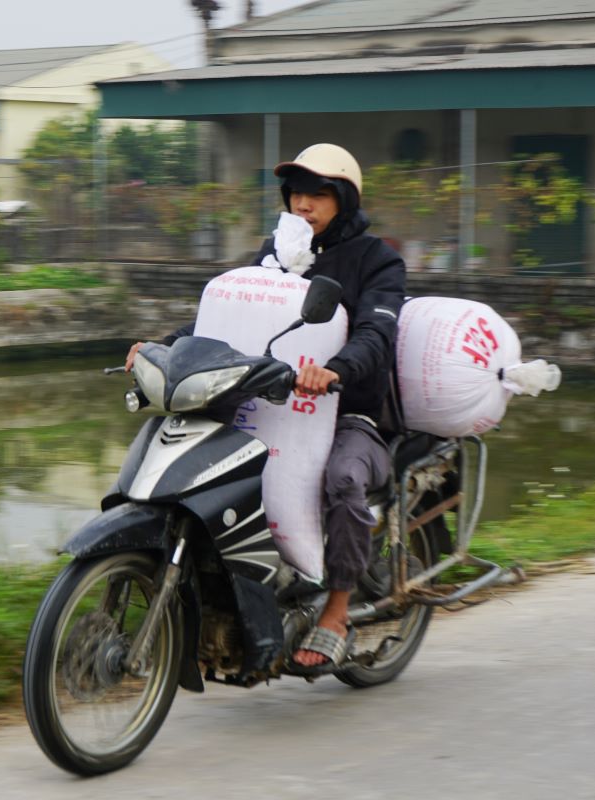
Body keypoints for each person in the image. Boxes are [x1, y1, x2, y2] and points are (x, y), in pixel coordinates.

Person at [125, 143, 406, 674]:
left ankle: (337, 613)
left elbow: (377, 332)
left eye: (319, 193)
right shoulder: (273, 253)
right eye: (298, 192)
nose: (304, 203)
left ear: (343, 199)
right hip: (272, 404)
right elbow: (226, 319)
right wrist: (162, 347)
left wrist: (336, 370)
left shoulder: (378, 260)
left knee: (344, 478)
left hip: (349, 411)